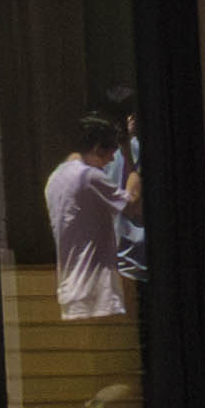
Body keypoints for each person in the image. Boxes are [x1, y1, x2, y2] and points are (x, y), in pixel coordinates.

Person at [47, 105, 138, 322]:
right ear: (98, 148)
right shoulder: (88, 177)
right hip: (97, 292)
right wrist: (131, 159)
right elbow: (132, 203)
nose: (111, 161)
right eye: (111, 154)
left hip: (70, 289)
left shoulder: (55, 178)